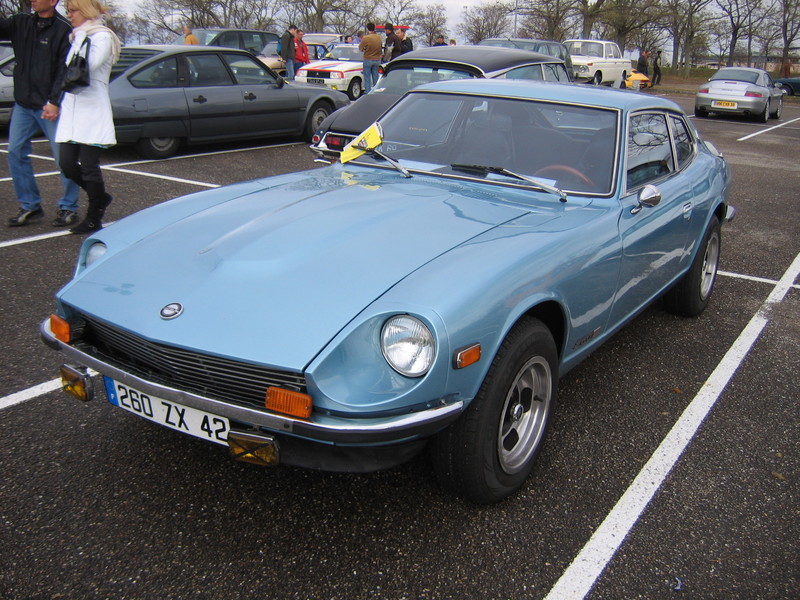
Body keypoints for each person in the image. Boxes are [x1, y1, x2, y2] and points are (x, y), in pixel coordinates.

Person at [0, 0, 80, 227]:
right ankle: (30, 206)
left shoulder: (64, 29)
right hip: (24, 103)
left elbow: (65, 70)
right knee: (15, 152)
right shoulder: (20, 22)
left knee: (63, 158)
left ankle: (68, 207)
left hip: (50, 105)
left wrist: (54, 101)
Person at [53, 0, 121, 234]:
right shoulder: (77, 36)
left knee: (90, 166)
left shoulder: (101, 36)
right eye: (68, 11)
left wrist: (80, 37)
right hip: (72, 109)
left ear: (86, 12)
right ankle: (101, 197)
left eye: (73, 11)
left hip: (92, 109)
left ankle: (94, 216)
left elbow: (88, 66)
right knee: (67, 164)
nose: (69, 15)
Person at [359, 22, 382, 94]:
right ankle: (376, 92)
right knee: (376, 77)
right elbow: (380, 48)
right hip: (376, 59)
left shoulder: (366, 38)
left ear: (368, 29)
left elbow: (360, 48)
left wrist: (365, 49)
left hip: (368, 59)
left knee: (367, 78)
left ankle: (368, 93)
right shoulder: (378, 37)